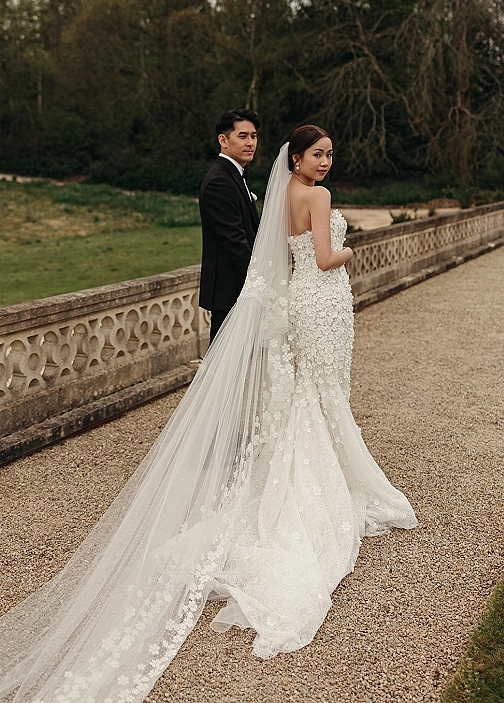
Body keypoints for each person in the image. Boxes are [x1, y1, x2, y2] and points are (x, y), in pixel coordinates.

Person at [0, 127, 417, 703]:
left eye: (329, 154)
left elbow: (283, 258)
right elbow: (324, 259)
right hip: (321, 301)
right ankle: (329, 484)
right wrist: (355, 246)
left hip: (300, 304)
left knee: (311, 398)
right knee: (323, 395)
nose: (326, 161)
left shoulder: (282, 193)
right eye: (317, 154)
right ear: (297, 158)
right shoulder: (317, 197)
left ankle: (320, 474)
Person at [199, 108, 260, 343]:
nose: (250, 143)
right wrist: (260, 282)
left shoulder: (236, 175)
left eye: (253, 136)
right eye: (242, 136)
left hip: (239, 288)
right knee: (220, 371)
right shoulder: (219, 181)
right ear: (223, 140)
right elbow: (235, 241)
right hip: (229, 290)